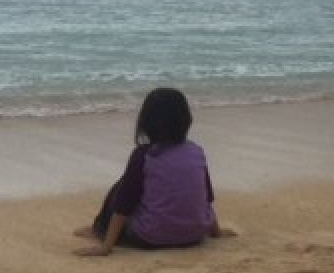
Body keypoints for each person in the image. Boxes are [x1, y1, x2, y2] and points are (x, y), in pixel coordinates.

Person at [74, 87, 235, 256]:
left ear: (146, 122)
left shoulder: (144, 155)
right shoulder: (196, 151)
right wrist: (216, 232)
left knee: (120, 188)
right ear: (186, 120)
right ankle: (100, 229)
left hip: (151, 237)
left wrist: (106, 247)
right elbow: (206, 197)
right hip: (195, 234)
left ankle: (99, 230)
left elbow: (123, 205)